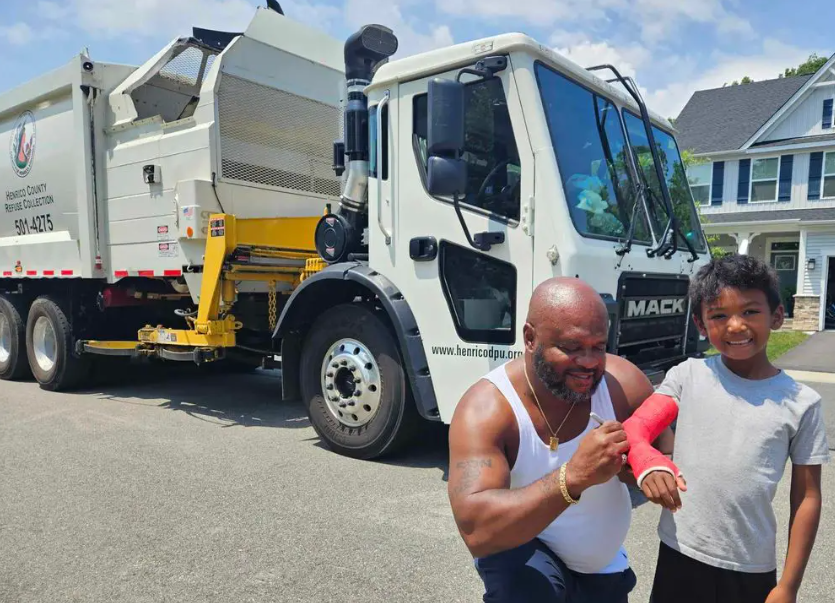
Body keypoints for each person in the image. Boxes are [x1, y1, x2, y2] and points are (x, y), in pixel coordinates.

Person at [447, 276, 673, 602]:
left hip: (602, 568)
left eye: (599, 347)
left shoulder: (623, 385)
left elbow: (667, 453)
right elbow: (477, 529)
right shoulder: (487, 409)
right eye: (571, 348)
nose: (590, 362)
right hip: (522, 553)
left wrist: (643, 467)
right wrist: (573, 477)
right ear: (529, 338)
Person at [623, 254, 830, 603]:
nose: (735, 325)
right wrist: (648, 462)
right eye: (719, 315)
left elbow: (807, 497)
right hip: (679, 554)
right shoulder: (687, 376)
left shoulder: (801, 402)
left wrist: (789, 586)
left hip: (750, 567)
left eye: (750, 311)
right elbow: (636, 429)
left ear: (777, 316)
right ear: (701, 325)